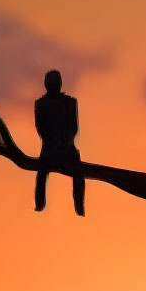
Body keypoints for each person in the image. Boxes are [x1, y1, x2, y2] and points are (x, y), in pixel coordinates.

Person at [34, 70, 85, 216]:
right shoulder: (40, 104)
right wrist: (54, 144)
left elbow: (73, 127)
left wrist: (65, 143)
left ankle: (79, 208)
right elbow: (41, 128)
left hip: (66, 149)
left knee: (78, 173)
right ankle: (39, 205)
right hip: (51, 149)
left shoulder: (70, 102)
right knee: (42, 173)